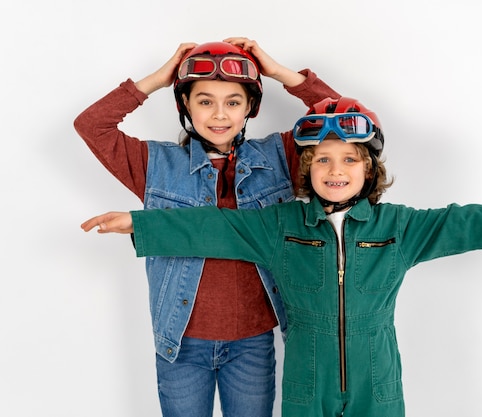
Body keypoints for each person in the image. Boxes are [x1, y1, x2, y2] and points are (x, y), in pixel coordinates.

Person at [81, 97, 482, 417]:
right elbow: (214, 227)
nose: (336, 169)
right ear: (304, 170)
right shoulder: (280, 224)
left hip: (379, 381)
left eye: (350, 159)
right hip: (308, 385)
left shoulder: (398, 226)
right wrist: (139, 223)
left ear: (368, 171)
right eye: (322, 160)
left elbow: (461, 221)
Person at [74, 37, 340, 417]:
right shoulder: (156, 164)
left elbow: (343, 122)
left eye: (233, 102)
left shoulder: (279, 156)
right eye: (205, 101)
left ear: (250, 106)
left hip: (252, 341)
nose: (219, 115)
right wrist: (156, 80)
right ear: (185, 103)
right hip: (180, 344)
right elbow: (91, 125)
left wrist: (280, 72)